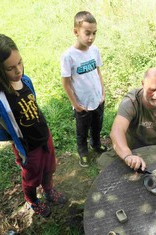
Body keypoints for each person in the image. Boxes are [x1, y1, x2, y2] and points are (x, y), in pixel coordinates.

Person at [0, 34, 66, 217]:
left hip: (44, 137)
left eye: (20, 62)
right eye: (10, 68)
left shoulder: (25, 80)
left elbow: (32, 105)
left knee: (49, 167)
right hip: (28, 149)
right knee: (31, 178)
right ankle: (33, 200)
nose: (18, 70)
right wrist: (6, 135)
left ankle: (48, 190)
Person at [98, 67, 156, 171]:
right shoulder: (131, 101)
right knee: (105, 165)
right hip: (129, 147)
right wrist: (128, 156)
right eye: (152, 90)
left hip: (155, 147)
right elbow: (117, 131)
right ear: (143, 84)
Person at [60, 11, 107, 168]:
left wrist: (103, 92)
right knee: (82, 131)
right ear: (76, 31)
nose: (91, 37)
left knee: (97, 126)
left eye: (94, 33)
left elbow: (98, 72)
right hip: (82, 105)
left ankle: (96, 143)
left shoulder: (95, 51)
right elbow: (66, 83)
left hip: (97, 100)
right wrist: (76, 104)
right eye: (87, 33)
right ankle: (83, 152)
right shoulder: (68, 56)